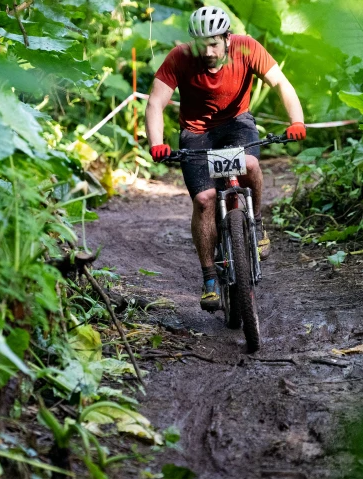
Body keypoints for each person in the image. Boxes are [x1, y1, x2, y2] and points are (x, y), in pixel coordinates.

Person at [146, 6, 306, 311]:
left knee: (250, 165)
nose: (207, 51)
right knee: (204, 200)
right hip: (196, 134)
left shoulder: (247, 47)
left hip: (237, 125)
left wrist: (296, 121)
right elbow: (155, 103)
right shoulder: (179, 58)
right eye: (201, 44)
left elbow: (281, 83)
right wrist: (157, 143)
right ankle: (209, 279)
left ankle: (257, 225)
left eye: (214, 43)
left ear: (228, 39)